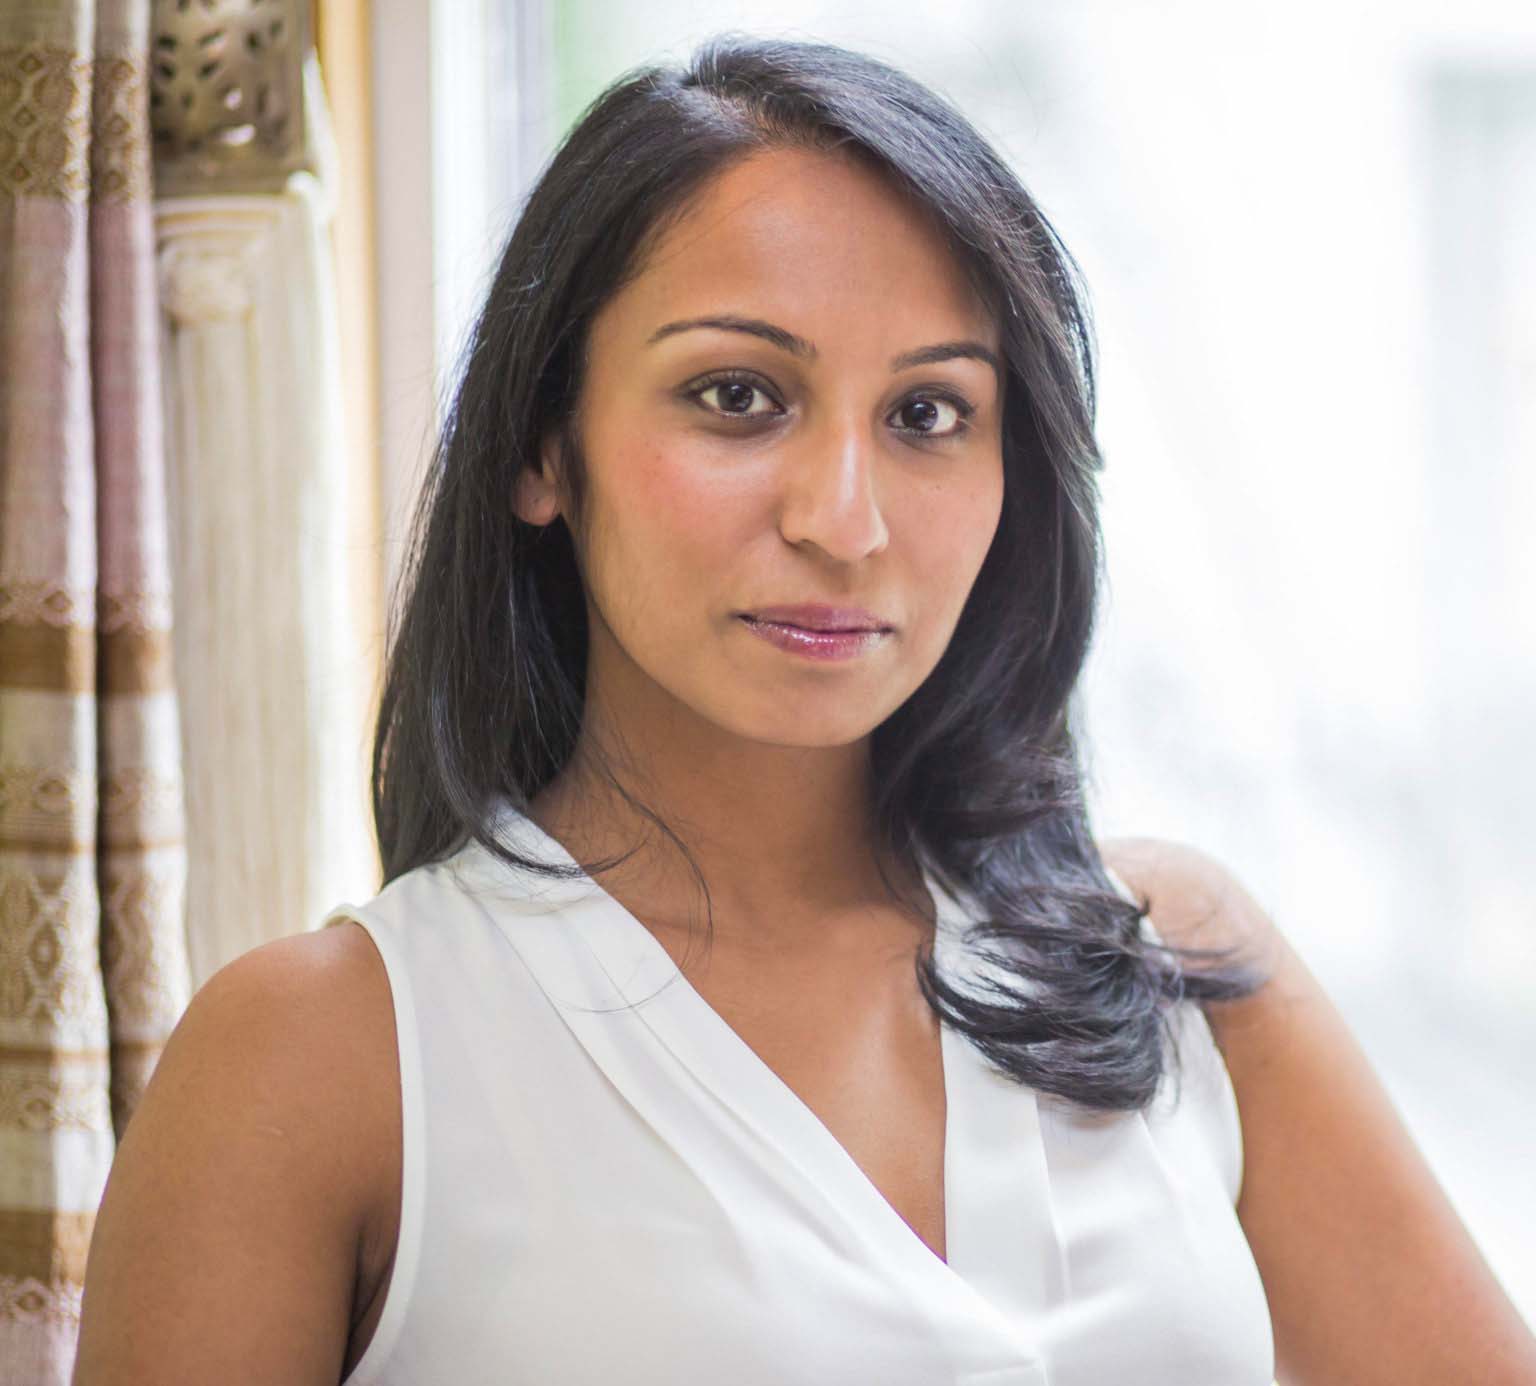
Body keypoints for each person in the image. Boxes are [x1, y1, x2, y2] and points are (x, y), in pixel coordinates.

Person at [72, 33, 1536, 1386]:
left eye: (927, 415)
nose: (846, 520)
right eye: (737, 395)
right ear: (542, 448)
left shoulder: (1175, 969)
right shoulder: (323, 1058)